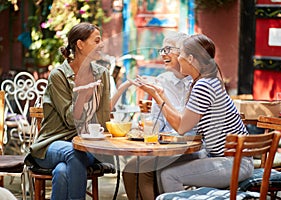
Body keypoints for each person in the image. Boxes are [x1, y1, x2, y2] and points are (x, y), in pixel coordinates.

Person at [130, 33, 252, 196]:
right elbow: (185, 122)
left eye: (181, 54)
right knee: (162, 168)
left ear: (191, 59)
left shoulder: (203, 86)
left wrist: (158, 98)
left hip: (234, 163)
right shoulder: (207, 81)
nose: (178, 58)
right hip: (225, 157)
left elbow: (181, 127)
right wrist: (160, 95)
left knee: (169, 175)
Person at [29, 22, 111, 200]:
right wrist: (81, 96)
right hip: (51, 145)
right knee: (74, 152)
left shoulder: (102, 73)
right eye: (96, 40)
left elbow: (104, 116)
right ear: (80, 44)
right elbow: (70, 120)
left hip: (88, 146)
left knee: (62, 171)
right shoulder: (58, 75)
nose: (102, 44)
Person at [122, 32, 197, 200]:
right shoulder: (162, 80)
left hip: (190, 146)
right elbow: (157, 121)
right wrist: (146, 127)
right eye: (162, 49)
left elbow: (191, 125)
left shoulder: (196, 81)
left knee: (144, 169)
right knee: (130, 169)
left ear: (183, 53)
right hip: (166, 146)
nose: (163, 53)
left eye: (168, 49)